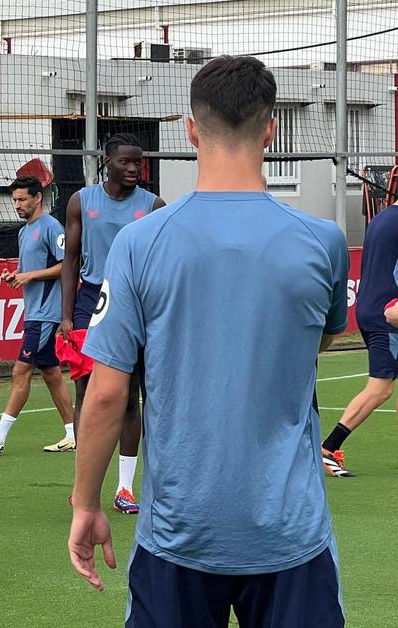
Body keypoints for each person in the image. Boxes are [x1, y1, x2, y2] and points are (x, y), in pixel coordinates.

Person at [69, 56, 348, 626]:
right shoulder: (323, 242)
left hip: (178, 532)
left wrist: (87, 504)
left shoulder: (139, 243)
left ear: (191, 129)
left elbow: (105, 396)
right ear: (270, 127)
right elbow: (315, 344)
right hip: (289, 532)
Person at [59, 133, 166, 515]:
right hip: (91, 301)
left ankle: (125, 489)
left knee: (130, 396)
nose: (135, 168)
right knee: (88, 395)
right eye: (126, 162)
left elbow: (159, 265)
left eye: (139, 162)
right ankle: (82, 487)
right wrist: (67, 315)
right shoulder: (81, 201)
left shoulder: (153, 205)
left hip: (135, 303)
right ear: (108, 162)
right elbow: (70, 260)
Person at [0, 176, 76, 455]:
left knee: (21, 369)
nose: (17, 204)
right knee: (51, 373)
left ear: (38, 198)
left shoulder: (52, 227)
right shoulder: (24, 231)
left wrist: (29, 276)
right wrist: (15, 276)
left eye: (22, 199)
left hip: (46, 314)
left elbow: (68, 266)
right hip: (35, 312)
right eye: (15, 200)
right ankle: (73, 433)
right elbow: (33, 270)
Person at [320, 202, 398, 477]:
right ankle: (329, 448)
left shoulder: (384, 218)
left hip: (373, 307)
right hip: (387, 314)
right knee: (380, 387)